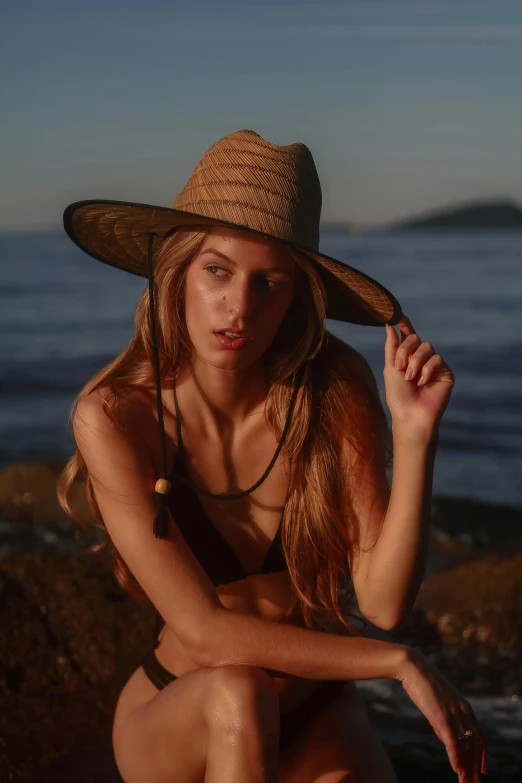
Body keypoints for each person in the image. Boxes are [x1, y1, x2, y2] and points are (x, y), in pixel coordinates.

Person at [58, 129, 487, 783]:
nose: (240, 306)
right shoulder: (116, 416)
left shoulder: (331, 389)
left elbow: (384, 603)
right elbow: (204, 633)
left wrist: (415, 433)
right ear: (177, 271)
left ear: (297, 297)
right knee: (239, 691)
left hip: (317, 708)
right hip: (187, 708)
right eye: (218, 270)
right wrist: (396, 662)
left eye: (271, 282)